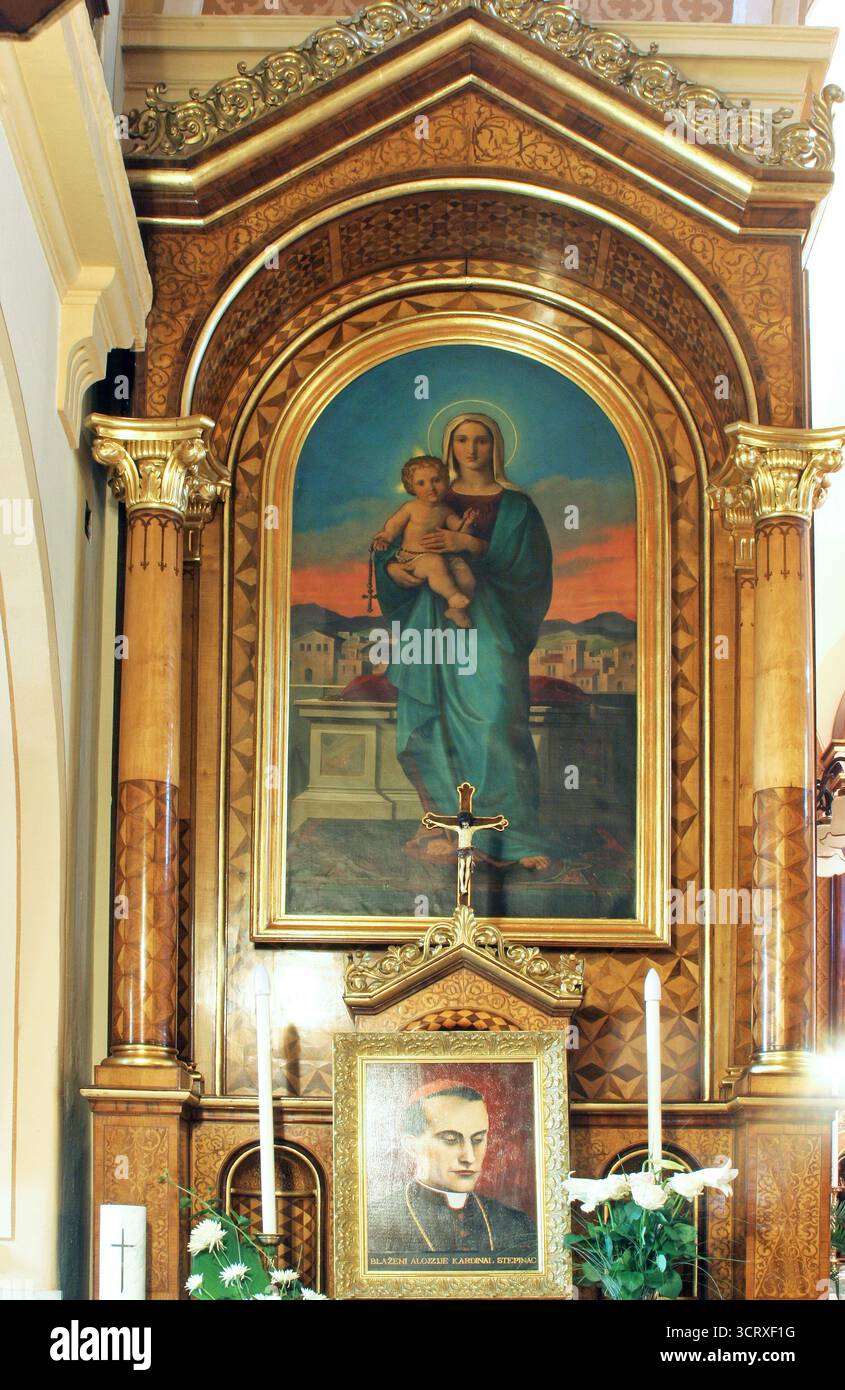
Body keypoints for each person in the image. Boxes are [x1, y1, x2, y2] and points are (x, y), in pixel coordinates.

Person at [373, 412, 554, 870]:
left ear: (496, 447)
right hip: (432, 622)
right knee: (435, 723)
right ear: (449, 447)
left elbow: (531, 570)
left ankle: (512, 831)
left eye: (481, 441)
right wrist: (394, 570)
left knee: (496, 716)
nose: (471, 450)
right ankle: (444, 822)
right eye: (461, 441)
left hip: (491, 622)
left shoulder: (517, 507)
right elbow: (394, 556)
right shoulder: (431, 493)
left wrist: (468, 545)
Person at [367, 1081, 537, 1259]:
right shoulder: (375, 1223)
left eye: (478, 1139)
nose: (469, 1157)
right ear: (411, 1146)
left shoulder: (517, 1224)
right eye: (450, 1139)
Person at [371, 456, 478, 628]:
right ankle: (452, 596)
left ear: (446, 480)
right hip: (414, 559)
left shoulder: (445, 510)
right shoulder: (410, 508)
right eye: (421, 483)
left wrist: (468, 523)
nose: (431, 487)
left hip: (444, 557)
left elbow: (460, 532)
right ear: (411, 487)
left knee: (467, 576)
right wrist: (386, 536)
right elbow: (393, 526)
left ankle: (456, 611)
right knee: (434, 563)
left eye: (436, 480)